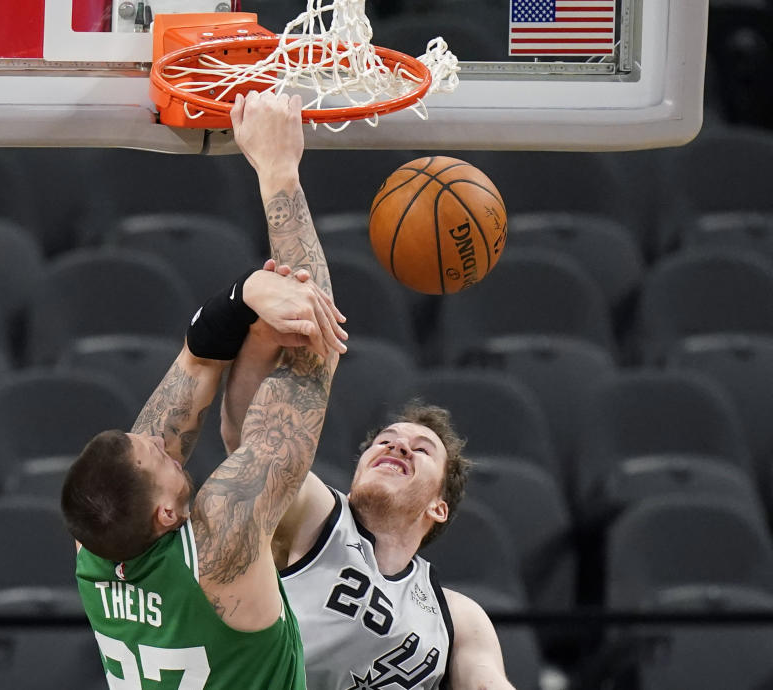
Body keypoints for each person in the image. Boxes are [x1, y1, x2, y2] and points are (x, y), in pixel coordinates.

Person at [61, 91, 344, 689]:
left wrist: (242, 298)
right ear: (166, 514)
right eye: (157, 458)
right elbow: (316, 348)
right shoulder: (224, 542)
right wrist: (278, 173)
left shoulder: (97, 552)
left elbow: (196, 360)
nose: (162, 443)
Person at [218, 151, 515, 690]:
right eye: (386, 441)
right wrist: (261, 342)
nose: (397, 447)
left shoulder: (458, 618)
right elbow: (250, 446)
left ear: (438, 506)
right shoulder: (316, 519)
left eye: (421, 449)